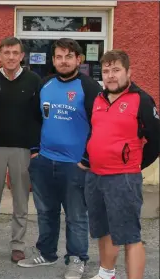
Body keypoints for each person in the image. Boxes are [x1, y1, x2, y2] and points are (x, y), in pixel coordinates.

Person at [17, 38, 103, 279]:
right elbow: (34, 119)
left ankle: (77, 259)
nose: (63, 61)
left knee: (76, 215)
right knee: (46, 211)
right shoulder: (45, 84)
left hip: (75, 165)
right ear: (53, 60)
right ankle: (46, 253)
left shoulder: (90, 88)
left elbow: (99, 126)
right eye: (58, 57)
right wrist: (35, 151)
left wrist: (86, 159)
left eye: (68, 56)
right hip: (44, 161)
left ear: (78, 59)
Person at [85, 50, 160, 279]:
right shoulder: (99, 99)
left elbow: (156, 139)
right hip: (95, 175)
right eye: (106, 71)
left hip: (123, 178)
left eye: (116, 70)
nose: (110, 75)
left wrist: (134, 163)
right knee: (104, 230)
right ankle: (107, 273)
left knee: (129, 236)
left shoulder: (142, 100)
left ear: (128, 72)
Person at [0, 37, 41, 263]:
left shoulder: (34, 80)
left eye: (15, 53)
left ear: (22, 56)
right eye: (6, 52)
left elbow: (38, 116)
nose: (11, 57)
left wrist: (36, 146)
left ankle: (18, 244)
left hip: (22, 148)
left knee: (21, 198)